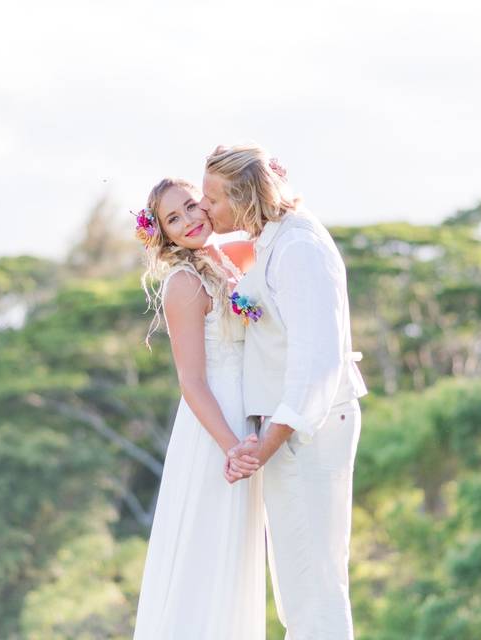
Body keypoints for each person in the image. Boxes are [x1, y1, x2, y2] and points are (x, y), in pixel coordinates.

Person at [200, 144, 367, 640]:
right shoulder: (273, 240)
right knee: (297, 579)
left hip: (304, 434)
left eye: (212, 198)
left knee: (314, 577)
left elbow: (316, 366)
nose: (205, 208)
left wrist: (261, 448)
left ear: (246, 196)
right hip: (287, 433)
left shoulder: (300, 249)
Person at [132, 177, 265, 640]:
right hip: (215, 433)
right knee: (206, 552)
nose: (189, 219)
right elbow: (191, 382)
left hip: (245, 425)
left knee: (234, 558)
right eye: (174, 218)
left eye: (191, 206)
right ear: (164, 234)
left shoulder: (225, 264)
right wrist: (233, 447)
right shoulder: (184, 283)